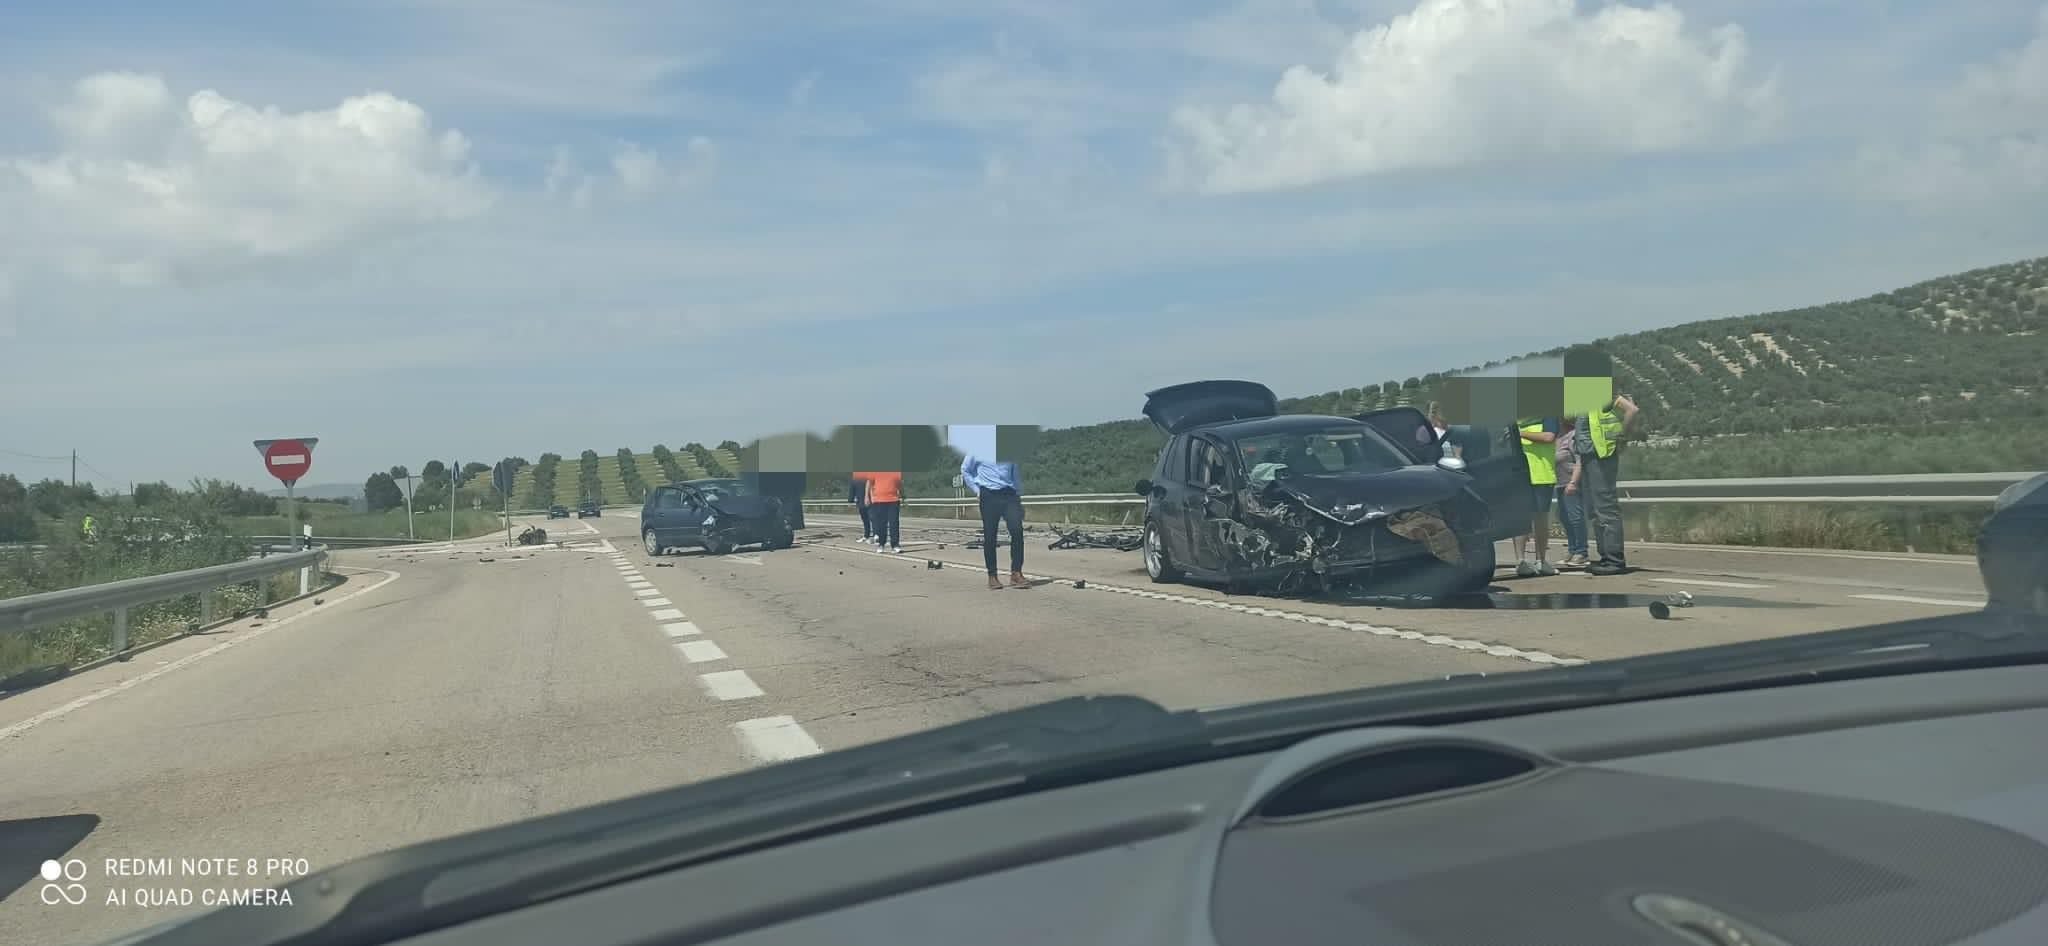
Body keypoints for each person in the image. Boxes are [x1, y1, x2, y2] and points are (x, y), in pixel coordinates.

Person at [1572, 392, 1641, 576]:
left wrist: (1622, 437)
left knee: (1606, 508)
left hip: (1601, 456)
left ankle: (1615, 560)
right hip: (1588, 455)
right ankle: (1605, 558)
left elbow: (1632, 410)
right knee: (1595, 510)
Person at [961, 453, 1026, 590]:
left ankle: (1016, 573)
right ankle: (992, 576)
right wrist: (976, 490)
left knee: (1017, 531)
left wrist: (1018, 497)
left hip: (1009, 494)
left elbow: (1015, 474)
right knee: (990, 536)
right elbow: (965, 469)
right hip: (989, 494)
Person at [1512, 417, 1560, 577]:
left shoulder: (1548, 415)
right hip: (1519, 474)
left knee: (1540, 517)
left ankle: (1541, 561)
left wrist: (1520, 434)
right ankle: (1520, 561)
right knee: (1520, 517)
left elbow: (1548, 437)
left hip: (1542, 474)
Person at [1554, 417, 1589, 570]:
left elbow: (1579, 461)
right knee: (1564, 517)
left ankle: (1581, 551)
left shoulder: (1573, 436)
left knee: (1575, 517)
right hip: (1559, 483)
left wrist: (1573, 482)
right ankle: (1572, 549)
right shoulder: (1556, 438)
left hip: (1571, 483)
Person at [860, 469, 904, 553]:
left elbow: (899, 483)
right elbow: (869, 483)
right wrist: (866, 497)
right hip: (879, 500)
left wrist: (903, 494)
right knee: (881, 524)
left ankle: (895, 545)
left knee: (894, 523)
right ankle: (881, 544)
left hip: (893, 500)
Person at [849, 476, 873, 543]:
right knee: (868, 520)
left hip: (867, 502)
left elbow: (852, 490)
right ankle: (867, 536)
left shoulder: (856, 479)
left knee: (869, 520)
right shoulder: (856, 479)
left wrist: (850, 500)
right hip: (865, 502)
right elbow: (852, 489)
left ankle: (871, 536)